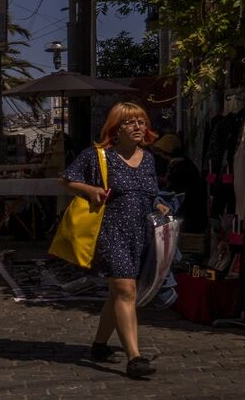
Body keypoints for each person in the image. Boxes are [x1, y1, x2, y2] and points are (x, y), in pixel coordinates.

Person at [60, 102, 171, 380]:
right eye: (130, 123)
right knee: (125, 290)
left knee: (117, 293)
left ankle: (99, 346)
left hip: (140, 233)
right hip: (111, 231)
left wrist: (158, 207)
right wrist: (90, 189)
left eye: (141, 122)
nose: (138, 127)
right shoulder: (98, 156)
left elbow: (150, 194)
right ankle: (135, 357)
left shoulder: (147, 158)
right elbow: (67, 179)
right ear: (115, 128)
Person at [155, 133, 208, 234]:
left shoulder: (181, 167)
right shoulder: (181, 163)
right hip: (188, 209)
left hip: (188, 211)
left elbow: (173, 187)